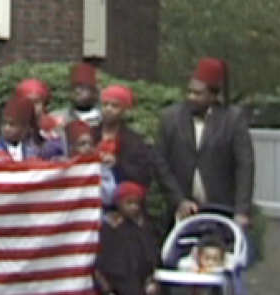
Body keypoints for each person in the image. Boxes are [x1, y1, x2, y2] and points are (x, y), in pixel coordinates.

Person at [156, 58, 254, 229]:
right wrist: (178, 199)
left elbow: (244, 165)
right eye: (189, 92)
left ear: (213, 95)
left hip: (221, 208)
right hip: (181, 211)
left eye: (198, 93)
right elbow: (159, 161)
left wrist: (241, 210)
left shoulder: (232, 119)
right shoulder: (170, 118)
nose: (191, 97)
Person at [95, 85, 182, 211]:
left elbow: (144, 175)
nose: (108, 109)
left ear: (124, 110)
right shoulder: (90, 135)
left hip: (124, 206)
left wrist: (118, 163)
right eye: (105, 104)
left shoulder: (135, 142)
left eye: (114, 106)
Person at [94, 182, 160, 295]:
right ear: (118, 203)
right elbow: (99, 267)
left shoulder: (143, 230)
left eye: (136, 203)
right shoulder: (110, 229)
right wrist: (108, 290)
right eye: (129, 202)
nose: (133, 207)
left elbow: (151, 258)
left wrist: (151, 282)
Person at [0, 97, 50, 164]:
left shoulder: (34, 151)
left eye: (12, 124)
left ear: (25, 128)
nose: (7, 128)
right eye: (4, 123)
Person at [51, 62, 103, 129]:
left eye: (82, 87)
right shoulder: (55, 118)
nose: (77, 91)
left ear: (94, 92)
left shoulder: (105, 120)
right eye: (74, 87)